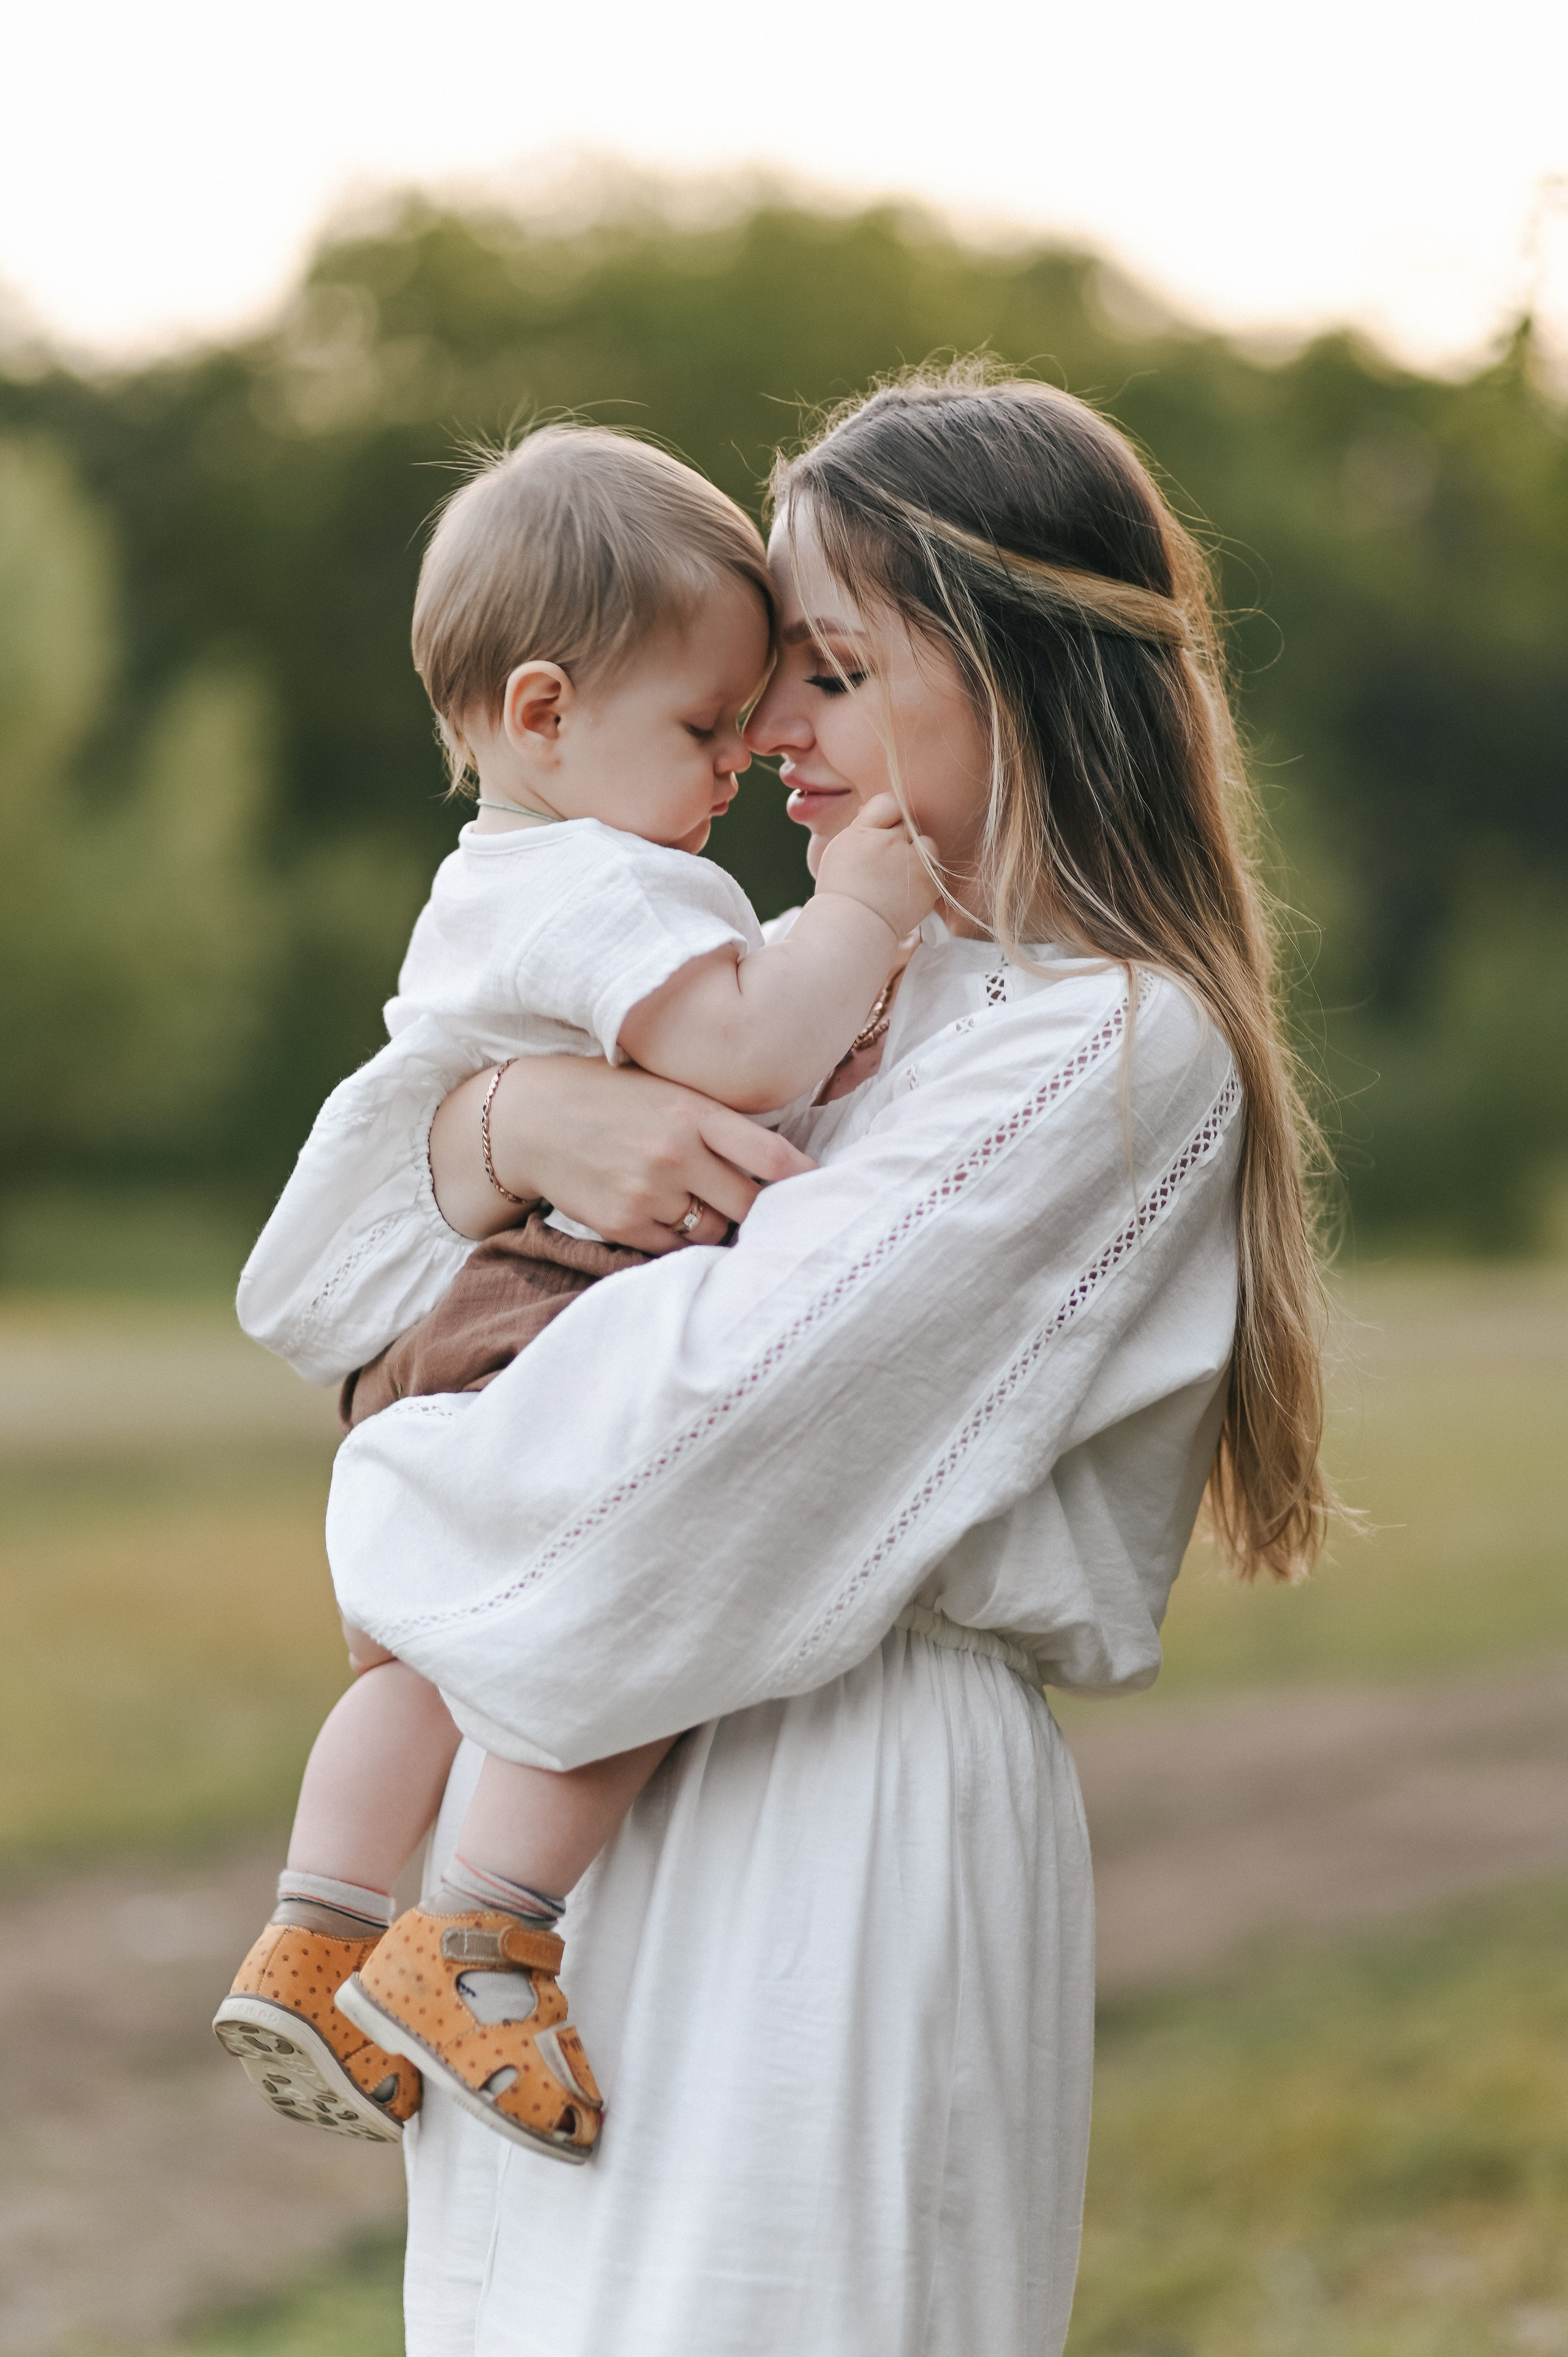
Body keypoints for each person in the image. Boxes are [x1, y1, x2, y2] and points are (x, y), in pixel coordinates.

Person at [240, 364, 1333, 2357]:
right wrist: (504, 1127)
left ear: (1015, 676)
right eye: (760, 690)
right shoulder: (830, 985)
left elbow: (696, 1447)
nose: (768, 737)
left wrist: (393, 1507)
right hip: (567, 1811)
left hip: (826, 1810)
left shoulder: (1104, 1045)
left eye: (831, 674)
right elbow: (316, 1289)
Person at [216, 423, 936, 2159]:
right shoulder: (602, 883)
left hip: (478, 1316)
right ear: (542, 714)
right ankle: (483, 1933)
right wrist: (863, 907)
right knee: (626, 1599)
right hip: (544, 1301)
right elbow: (747, 1052)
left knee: (438, 1654)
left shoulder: (513, 879)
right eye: (705, 727)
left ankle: (318, 1934)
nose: (744, 758)